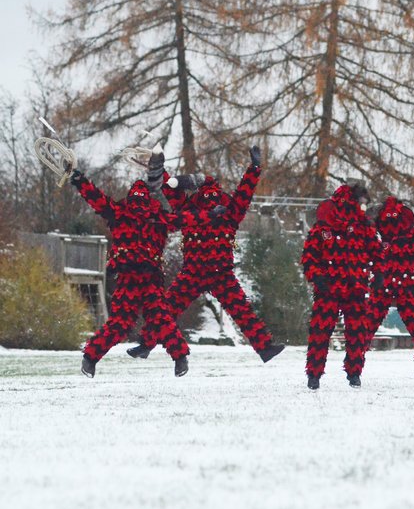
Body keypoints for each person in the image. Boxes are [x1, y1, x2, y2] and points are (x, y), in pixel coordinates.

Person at [69, 157, 223, 378]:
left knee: (120, 324)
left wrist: (78, 178)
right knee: (161, 319)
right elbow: (186, 219)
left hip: (128, 277)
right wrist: (210, 214)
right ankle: (180, 359)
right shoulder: (158, 216)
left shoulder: (119, 211)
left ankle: (90, 359)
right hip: (150, 278)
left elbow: (95, 197)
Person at [128, 146, 284, 363]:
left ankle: (146, 344)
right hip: (210, 271)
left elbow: (169, 188)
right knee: (240, 310)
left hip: (204, 271)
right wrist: (254, 169)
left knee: (168, 309)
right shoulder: (224, 210)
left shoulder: (189, 207)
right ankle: (264, 348)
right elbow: (243, 193)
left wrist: (255, 168)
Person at [301, 184, 382, 390]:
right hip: (328, 288)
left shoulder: (363, 226)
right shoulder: (325, 224)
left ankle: (354, 373)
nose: (364, 207)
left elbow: (377, 252)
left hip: (355, 287)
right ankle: (314, 374)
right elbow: (309, 256)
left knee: (357, 332)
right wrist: (317, 277)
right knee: (320, 332)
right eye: (362, 203)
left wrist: (380, 274)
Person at [364, 197, 414, 377]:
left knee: (412, 320)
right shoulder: (380, 236)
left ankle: (354, 367)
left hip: (399, 281)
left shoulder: (402, 236)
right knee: (413, 320)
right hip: (393, 280)